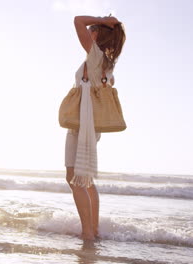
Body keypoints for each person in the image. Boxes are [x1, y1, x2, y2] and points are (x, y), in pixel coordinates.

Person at [65, 15, 126, 240]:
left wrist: (101, 20)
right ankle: (94, 228)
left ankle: (88, 232)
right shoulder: (106, 63)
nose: (87, 32)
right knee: (85, 178)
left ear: (96, 34)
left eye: (92, 30)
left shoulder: (95, 56)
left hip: (82, 121)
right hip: (90, 124)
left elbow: (77, 20)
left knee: (74, 177)